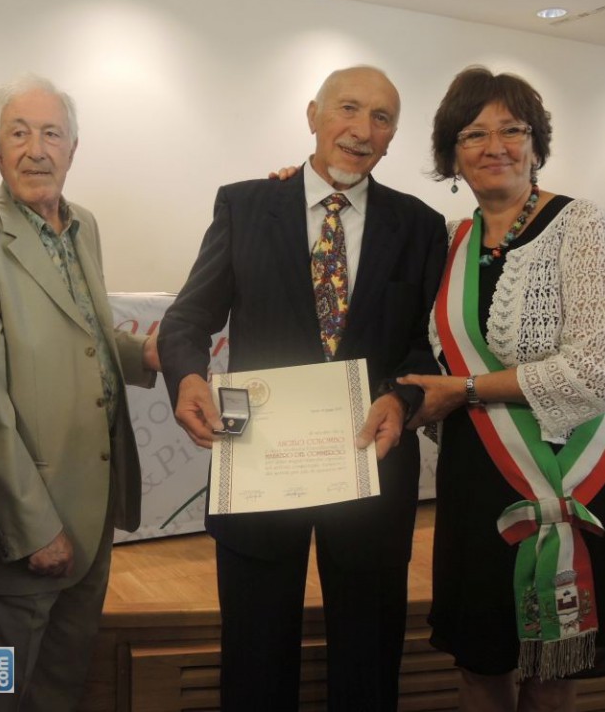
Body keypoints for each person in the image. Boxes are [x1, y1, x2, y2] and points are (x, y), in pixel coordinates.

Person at [157, 65, 447, 712]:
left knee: (369, 665)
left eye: (381, 118)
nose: (362, 129)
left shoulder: (422, 226)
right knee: (255, 661)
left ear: (393, 136)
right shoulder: (244, 206)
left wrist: (402, 397)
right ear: (313, 115)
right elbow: (186, 320)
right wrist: (189, 376)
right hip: (260, 465)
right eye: (348, 108)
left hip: (372, 465)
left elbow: (425, 346)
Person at [399, 66, 605, 711]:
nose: (494, 146)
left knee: (552, 668)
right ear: (452, 154)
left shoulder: (583, 226)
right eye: (473, 134)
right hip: (480, 469)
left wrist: (467, 389)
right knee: (481, 658)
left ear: (536, 144)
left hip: (574, 467)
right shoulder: (450, 241)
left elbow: (597, 370)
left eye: (512, 129)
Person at [0, 74, 159, 712]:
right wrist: (33, 529)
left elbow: (81, 334)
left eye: (52, 134)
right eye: (19, 133)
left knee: (59, 694)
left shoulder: (84, 225)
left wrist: (142, 354)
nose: (37, 150)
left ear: (73, 147)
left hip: (90, 519)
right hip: (20, 532)